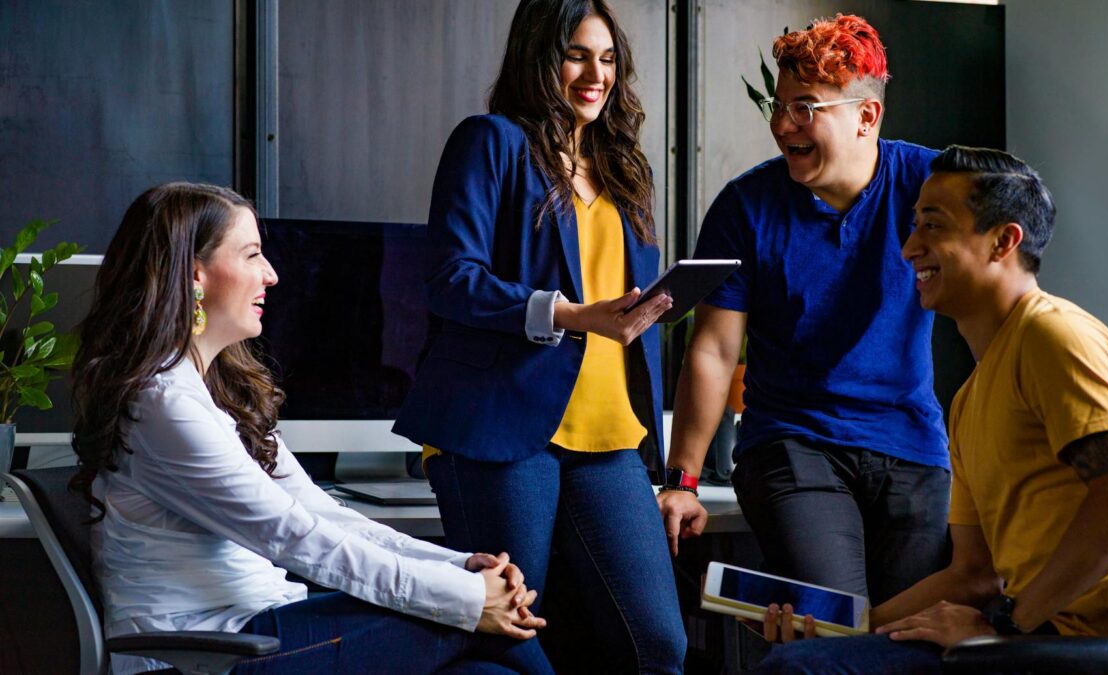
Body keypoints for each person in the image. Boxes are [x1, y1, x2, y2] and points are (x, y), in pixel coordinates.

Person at [69, 183, 553, 675]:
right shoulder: (164, 404)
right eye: (254, 255)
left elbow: (323, 514)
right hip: (203, 655)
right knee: (487, 624)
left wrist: (457, 567)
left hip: (263, 625)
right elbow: (294, 537)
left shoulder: (212, 393)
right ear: (195, 273)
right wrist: (469, 599)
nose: (272, 275)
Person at [754, 145, 1108, 673]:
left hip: (1074, 649)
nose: (908, 249)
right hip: (1021, 637)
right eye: (913, 226)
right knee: (804, 658)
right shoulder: (970, 399)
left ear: (1003, 241)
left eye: (933, 227)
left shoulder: (1053, 335)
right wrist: (845, 628)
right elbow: (974, 574)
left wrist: (1003, 628)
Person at [391, 1, 686, 672]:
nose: (596, 74)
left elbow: (619, 306)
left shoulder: (623, 168)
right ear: (538, 56)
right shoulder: (491, 141)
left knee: (660, 644)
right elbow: (450, 279)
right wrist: (571, 314)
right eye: (576, 55)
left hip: (611, 436)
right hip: (503, 430)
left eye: (608, 59)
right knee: (510, 639)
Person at [659, 14, 950, 606]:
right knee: (837, 621)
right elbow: (714, 351)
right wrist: (682, 482)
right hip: (792, 444)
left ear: (866, 116)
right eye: (780, 104)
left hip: (912, 446)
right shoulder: (746, 207)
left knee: (908, 638)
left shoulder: (931, 185)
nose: (781, 123)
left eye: (806, 107)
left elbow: (1008, 253)